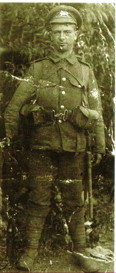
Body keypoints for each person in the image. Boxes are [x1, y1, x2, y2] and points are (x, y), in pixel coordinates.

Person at [4, 5, 105, 272]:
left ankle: (81, 251)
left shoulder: (85, 71)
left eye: (67, 31)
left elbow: (97, 112)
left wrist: (100, 145)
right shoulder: (37, 70)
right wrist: (10, 138)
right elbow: (14, 107)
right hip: (42, 147)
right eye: (57, 31)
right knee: (39, 198)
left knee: (74, 198)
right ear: (49, 35)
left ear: (76, 35)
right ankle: (30, 253)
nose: (62, 37)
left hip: (73, 146)